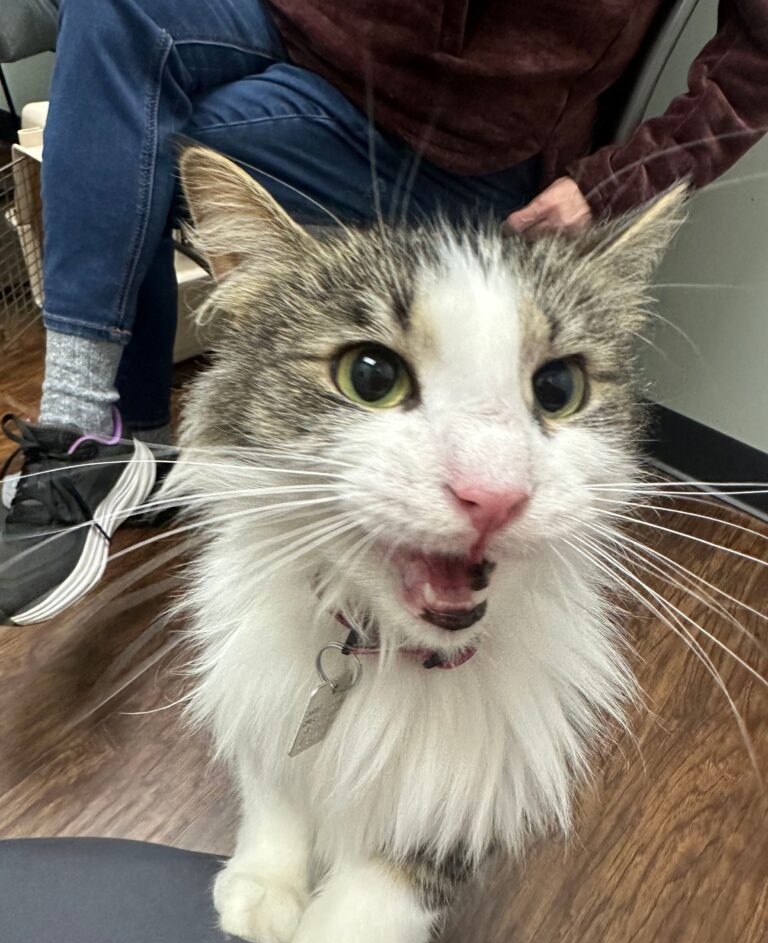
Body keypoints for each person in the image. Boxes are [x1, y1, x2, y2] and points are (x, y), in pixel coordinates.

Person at [1, 0, 766, 626]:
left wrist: (615, 183)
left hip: (477, 141)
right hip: (307, 41)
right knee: (113, 37)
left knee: (118, 139)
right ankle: (97, 433)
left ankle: (120, 441)